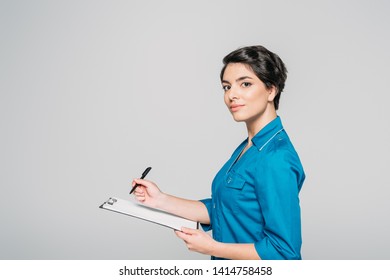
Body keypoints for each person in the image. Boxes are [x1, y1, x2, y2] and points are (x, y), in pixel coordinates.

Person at [132, 45, 305, 260]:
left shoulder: (275, 158)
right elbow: (225, 210)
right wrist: (160, 200)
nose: (232, 95)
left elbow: (284, 252)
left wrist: (211, 247)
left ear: (271, 90)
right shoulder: (249, 147)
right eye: (226, 87)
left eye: (246, 84)